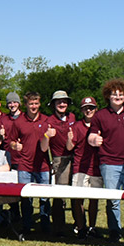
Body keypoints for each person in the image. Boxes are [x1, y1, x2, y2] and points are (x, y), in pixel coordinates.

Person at [89, 79, 124, 242]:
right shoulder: (100, 115)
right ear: (108, 96)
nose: (117, 96)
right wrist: (94, 141)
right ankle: (114, 231)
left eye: (121, 94)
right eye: (114, 94)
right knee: (113, 200)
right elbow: (91, 136)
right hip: (109, 163)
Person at [8, 92, 54, 234]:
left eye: (36, 103)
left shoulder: (46, 121)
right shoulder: (18, 122)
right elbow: (10, 141)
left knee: (44, 197)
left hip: (43, 166)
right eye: (31, 104)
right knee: (26, 198)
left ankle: (45, 225)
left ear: (39, 104)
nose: (33, 106)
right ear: (26, 105)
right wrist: (15, 146)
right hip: (25, 166)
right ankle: (26, 225)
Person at [68, 97, 102, 239]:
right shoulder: (76, 126)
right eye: (86, 108)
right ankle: (81, 227)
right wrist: (69, 138)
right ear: (82, 110)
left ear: (96, 109)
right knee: (78, 199)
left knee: (94, 199)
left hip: (97, 168)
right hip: (80, 167)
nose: (89, 110)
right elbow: (70, 147)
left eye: (91, 108)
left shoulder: (101, 125)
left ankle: (92, 228)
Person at [47, 91, 76, 236]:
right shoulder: (49, 120)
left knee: (77, 193)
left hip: (75, 157)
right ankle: (58, 228)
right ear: (53, 104)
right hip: (60, 159)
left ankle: (79, 226)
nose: (62, 104)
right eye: (59, 102)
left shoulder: (73, 117)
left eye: (64, 101)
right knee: (60, 195)